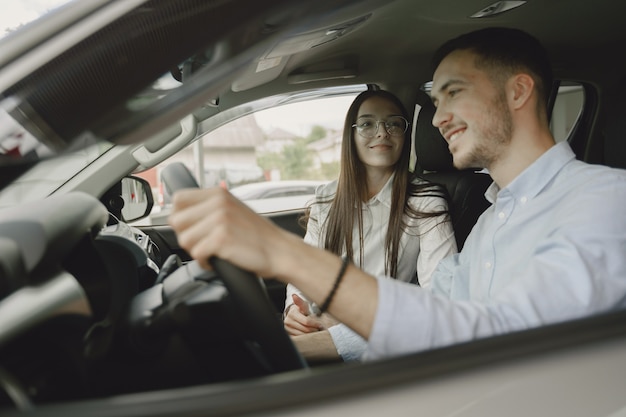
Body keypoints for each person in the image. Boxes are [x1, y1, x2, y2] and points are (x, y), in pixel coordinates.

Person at [169, 27, 626, 361]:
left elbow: (502, 338)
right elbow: (431, 320)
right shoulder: (490, 222)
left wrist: (283, 253)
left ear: (518, 91)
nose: (438, 116)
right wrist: (294, 346)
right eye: (434, 100)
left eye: (452, 93)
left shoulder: (604, 200)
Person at [283, 90, 457, 362]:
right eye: (367, 124)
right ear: (350, 136)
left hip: (383, 336)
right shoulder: (326, 198)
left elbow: (439, 296)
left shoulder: (426, 200)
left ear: (404, 134)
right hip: (319, 324)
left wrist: (343, 327)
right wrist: (295, 311)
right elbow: (304, 271)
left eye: (394, 124)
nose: (382, 133)